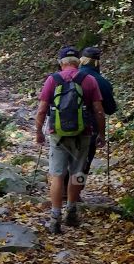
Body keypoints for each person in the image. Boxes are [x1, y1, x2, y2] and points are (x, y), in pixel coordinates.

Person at [35, 46, 106, 233]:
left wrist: (38, 132)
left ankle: (55, 218)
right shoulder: (88, 79)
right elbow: (99, 110)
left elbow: (42, 110)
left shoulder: (53, 79)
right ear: (78, 62)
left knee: (57, 174)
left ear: (61, 63)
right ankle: (72, 212)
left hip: (57, 133)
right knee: (78, 172)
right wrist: (101, 134)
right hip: (83, 133)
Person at [75, 45, 117, 197]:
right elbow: (109, 109)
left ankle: (62, 192)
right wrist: (102, 133)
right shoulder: (102, 82)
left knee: (65, 157)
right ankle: (76, 193)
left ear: (82, 60)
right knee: (84, 161)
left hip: (63, 124)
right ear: (98, 62)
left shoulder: (67, 76)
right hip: (89, 127)